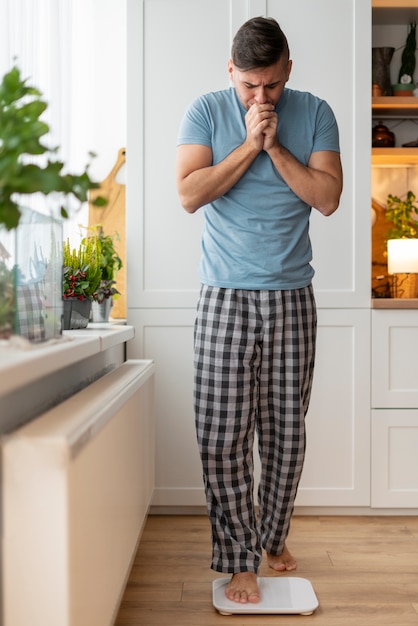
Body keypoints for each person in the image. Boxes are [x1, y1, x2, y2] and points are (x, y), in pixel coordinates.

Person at [175, 16, 343, 605]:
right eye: (249, 85)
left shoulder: (316, 112)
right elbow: (189, 193)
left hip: (292, 296)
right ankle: (237, 558)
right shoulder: (205, 111)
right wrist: (249, 143)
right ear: (231, 72)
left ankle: (271, 540)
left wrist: (276, 148)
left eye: (270, 84)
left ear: (288, 70)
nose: (261, 97)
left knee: (284, 439)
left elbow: (327, 199)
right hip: (224, 295)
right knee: (222, 436)